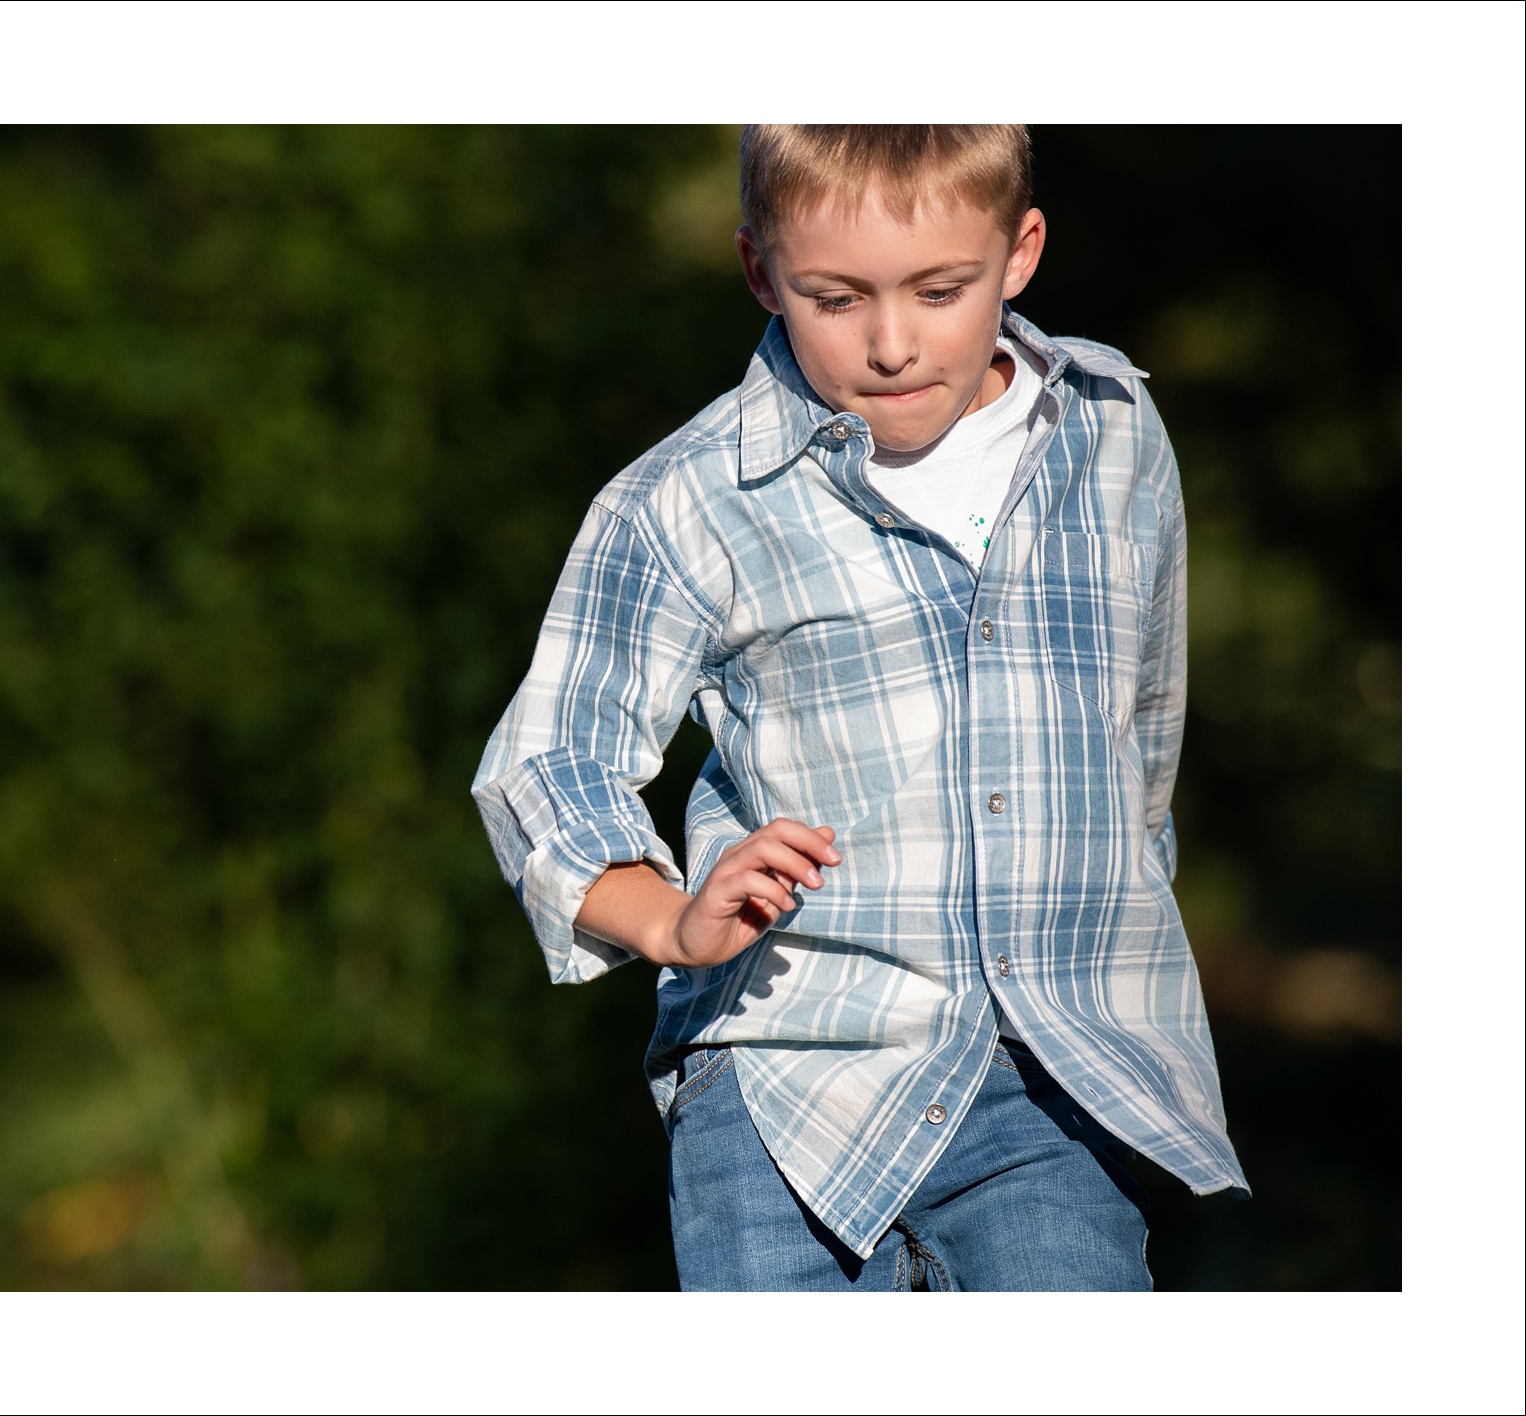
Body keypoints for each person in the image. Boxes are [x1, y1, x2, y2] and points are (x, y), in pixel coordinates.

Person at [470, 124, 1248, 1291]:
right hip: (790, 1087)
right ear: (757, 272)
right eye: (833, 299)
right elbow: (546, 761)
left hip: (1064, 1087)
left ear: (1019, 249)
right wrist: (673, 923)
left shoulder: (1113, 432)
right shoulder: (686, 498)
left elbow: (1139, 730)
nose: (890, 343)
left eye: (940, 291)